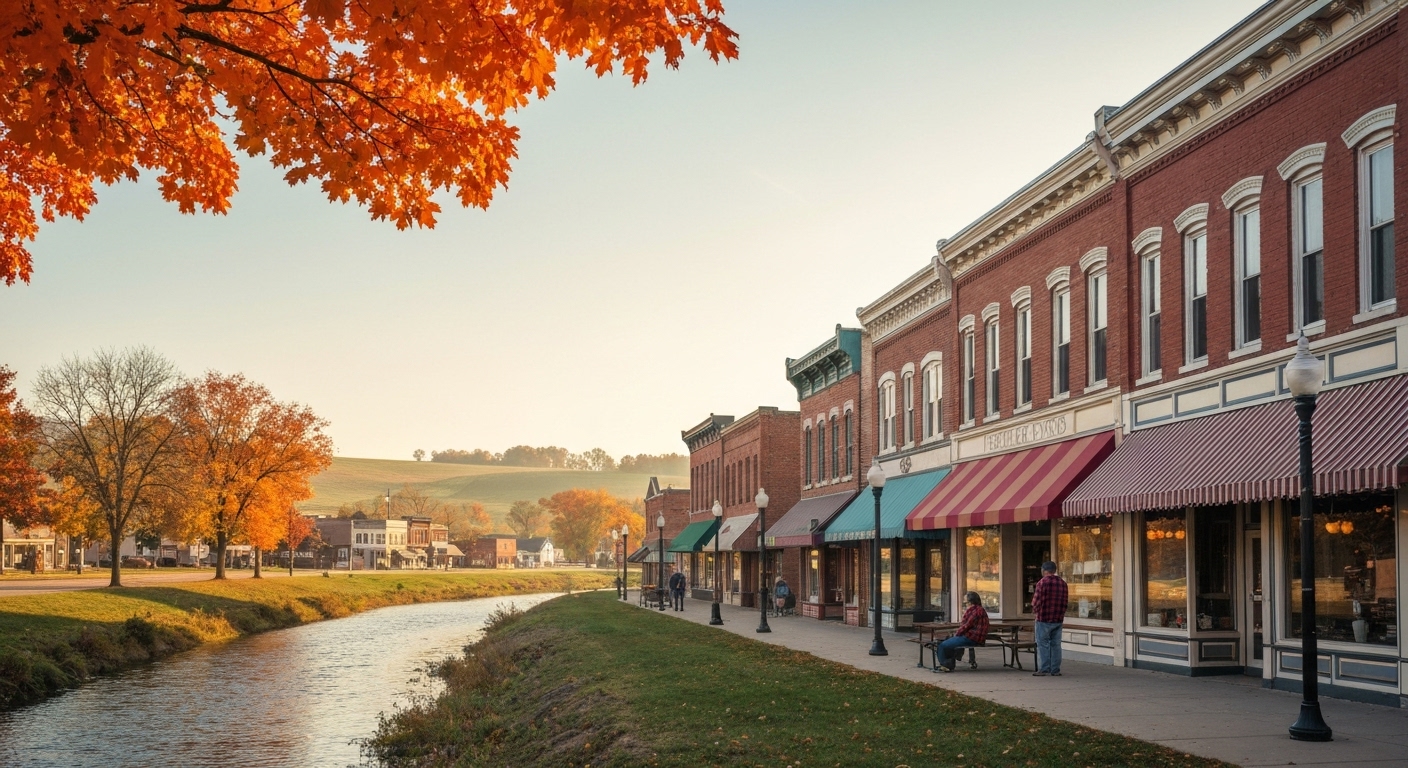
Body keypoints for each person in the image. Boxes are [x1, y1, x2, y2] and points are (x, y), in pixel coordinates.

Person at [1031, 560, 1068, 677]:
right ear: (1055, 570)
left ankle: (1044, 668)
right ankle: (1055, 669)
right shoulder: (1063, 583)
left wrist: (1035, 612)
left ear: (1043, 570)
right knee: (1056, 644)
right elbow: (1065, 601)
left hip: (1044, 618)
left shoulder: (1042, 583)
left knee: (1042, 644)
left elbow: (1036, 601)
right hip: (1058, 619)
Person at [937, 591, 989, 672]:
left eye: (965, 598)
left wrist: (957, 634)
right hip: (976, 637)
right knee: (948, 642)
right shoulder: (979, 609)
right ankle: (949, 664)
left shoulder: (975, 610)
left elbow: (966, 626)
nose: (964, 600)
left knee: (942, 645)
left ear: (970, 600)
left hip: (972, 638)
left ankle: (945, 665)